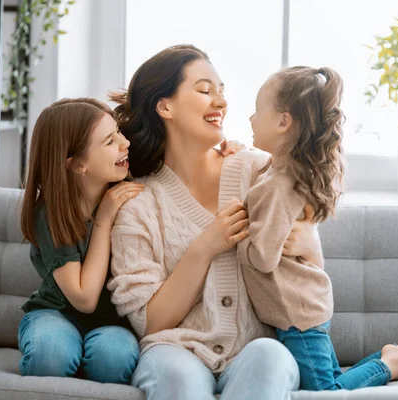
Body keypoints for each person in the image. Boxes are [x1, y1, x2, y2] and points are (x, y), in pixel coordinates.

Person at [107, 45, 324, 400]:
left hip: (257, 347)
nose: (221, 102)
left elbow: (304, 262)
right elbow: (151, 322)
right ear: (165, 107)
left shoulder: (259, 171)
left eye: (222, 91)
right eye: (205, 90)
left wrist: (311, 243)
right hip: (175, 350)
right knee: (174, 378)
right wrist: (204, 248)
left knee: (270, 357)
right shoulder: (138, 205)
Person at [238, 65, 398, 391]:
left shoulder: (279, 185)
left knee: (326, 391)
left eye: (256, 110)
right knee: (330, 378)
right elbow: (259, 179)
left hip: (298, 317)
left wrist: (235, 238)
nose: (250, 118)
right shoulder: (280, 171)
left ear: (283, 122)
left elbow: (262, 258)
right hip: (303, 306)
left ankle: (391, 363)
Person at [18, 98, 142, 383]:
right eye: (110, 141)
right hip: (56, 314)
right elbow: (84, 298)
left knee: (113, 359)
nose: (126, 144)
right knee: (50, 354)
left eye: (119, 133)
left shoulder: (131, 193)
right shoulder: (50, 213)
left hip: (114, 321)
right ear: (77, 164)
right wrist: (103, 221)